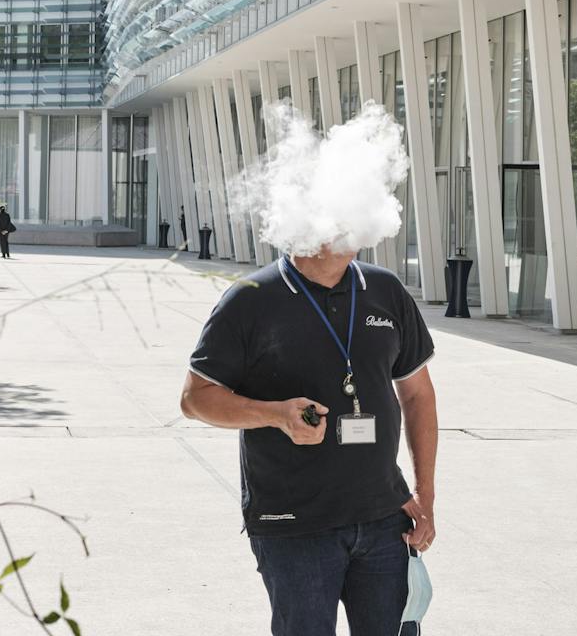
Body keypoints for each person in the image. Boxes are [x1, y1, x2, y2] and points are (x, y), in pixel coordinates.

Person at [180, 245, 438, 636]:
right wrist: (276, 415)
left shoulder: (385, 290)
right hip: (293, 524)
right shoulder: (250, 297)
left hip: (385, 521)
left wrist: (425, 494)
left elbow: (418, 394)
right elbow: (194, 398)